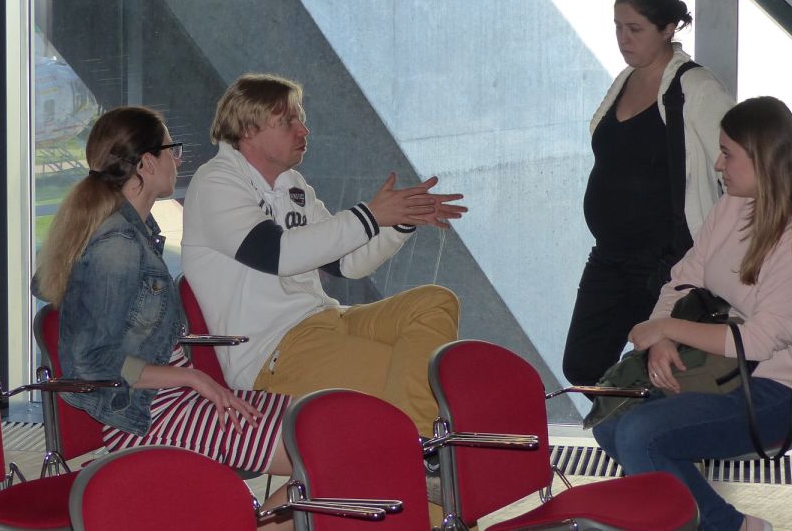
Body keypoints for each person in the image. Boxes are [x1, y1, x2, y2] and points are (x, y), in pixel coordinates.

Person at [593, 96, 792, 531]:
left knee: (640, 434)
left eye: (727, 154)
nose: (717, 164)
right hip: (729, 369)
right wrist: (664, 341)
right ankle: (718, 522)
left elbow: (761, 341)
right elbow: (684, 279)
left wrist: (667, 328)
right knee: (610, 419)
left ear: (763, 159)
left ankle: (725, 526)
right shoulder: (733, 205)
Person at [182, 73, 467, 436]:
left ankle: (410, 442)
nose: (304, 130)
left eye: (301, 119)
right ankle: (420, 447)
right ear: (249, 130)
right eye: (288, 121)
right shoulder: (215, 182)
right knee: (419, 379)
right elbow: (277, 254)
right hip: (273, 351)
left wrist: (399, 222)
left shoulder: (294, 186)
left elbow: (347, 263)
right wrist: (371, 215)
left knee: (435, 302)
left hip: (327, 320)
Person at [32, 106, 294, 489]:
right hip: (153, 420)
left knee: (321, 424)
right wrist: (192, 377)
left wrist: (190, 380)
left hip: (173, 402)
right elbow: (90, 363)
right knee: (324, 448)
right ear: (146, 163)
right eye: (173, 149)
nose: (179, 159)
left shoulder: (136, 231)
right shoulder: (117, 245)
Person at [563, 0, 734, 388]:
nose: (623, 38)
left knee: (660, 369)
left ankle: (642, 424)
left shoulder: (696, 87)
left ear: (668, 29)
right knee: (583, 366)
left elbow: (740, 165)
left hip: (667, 262)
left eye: (635, 29)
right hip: (610, 256)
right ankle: (625, 420)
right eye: (618, 27)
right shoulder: (627, 78)